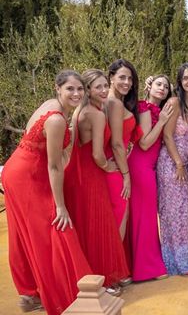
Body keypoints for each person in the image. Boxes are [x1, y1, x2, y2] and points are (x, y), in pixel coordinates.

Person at [2, 70, 92, 315]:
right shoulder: (56, 119)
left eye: (79, 89)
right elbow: (55, 166)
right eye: (70, 89)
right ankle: (61, 296)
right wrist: (61, 206)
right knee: (52, 226)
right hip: (27, 175)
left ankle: (31, 293)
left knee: (26, 232)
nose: (76, 94)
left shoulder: (52, 106)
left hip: (18, 168)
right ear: (57, 88)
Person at [65, 69, 130, 294]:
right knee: (99, 225)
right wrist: (107, 166)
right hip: (92, 174)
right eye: (98, 87)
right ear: (88, 90)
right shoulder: (97, 114)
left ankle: (92, 278)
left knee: (87, 225)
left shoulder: (80, 110)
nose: (103, 91)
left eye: (105, 86)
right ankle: (104, 280)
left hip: (77, 173)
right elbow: (97, 154)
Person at [157, 63, 188, 276]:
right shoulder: (175, 103)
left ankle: (178, 260)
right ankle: (178, 263)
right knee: (174, 214)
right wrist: (177, 163)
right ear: (180, 82)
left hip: (186, 166)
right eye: (185, 78)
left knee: (182, 213)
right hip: (171, 164)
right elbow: (166, 135)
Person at [127, 74, 173, 281]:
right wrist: (162, 121)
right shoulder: (145, 108)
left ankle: (141, 266)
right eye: (158, 84)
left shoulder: (158, 109)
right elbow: (144, 143)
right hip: (140, 165)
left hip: (148, 166)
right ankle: (148, 268)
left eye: (165, 86)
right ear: (149, 86)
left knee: (142, 215)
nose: (162, 88)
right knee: (145, 216)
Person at [105, 59, 141, 254]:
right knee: (120, 217)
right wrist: (126, 175)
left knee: (117, 218)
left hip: (116, 164)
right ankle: (113, 271)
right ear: (111, 77)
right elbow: (117, 143)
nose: (127, 82)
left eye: (130, 79)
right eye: (121, 77)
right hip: (117, 169)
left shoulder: (114, 101)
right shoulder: (114, 103)